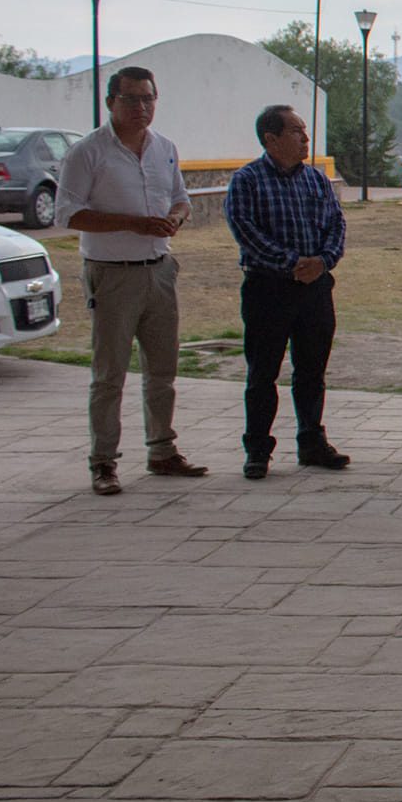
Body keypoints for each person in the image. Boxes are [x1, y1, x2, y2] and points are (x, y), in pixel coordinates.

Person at [55, 66, 208, 495]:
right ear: (110, 103)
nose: (142, 107)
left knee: (162, 370)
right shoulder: (88, 152)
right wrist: (133, 224)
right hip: (112, 273)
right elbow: (67, 213)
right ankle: (103, 461)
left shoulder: (165, 148)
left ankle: (162, 450)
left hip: (158, 270)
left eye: (148, 99)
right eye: (132, 99)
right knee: (110, 375)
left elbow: (180, 197)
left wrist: (175, 218)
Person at [222, 105, 349, 481]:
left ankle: (312, 442)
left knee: (312, 370)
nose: (305, 139)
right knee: (263, 373)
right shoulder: (247, 180)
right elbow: (245, 230)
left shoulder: (317, 180)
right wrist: (293, 263)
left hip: (315, 288)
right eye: (296, 131)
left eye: (304, 131)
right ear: (271, 139)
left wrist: (323, 261)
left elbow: (336, 224)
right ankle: (258, 449)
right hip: (268, 288)